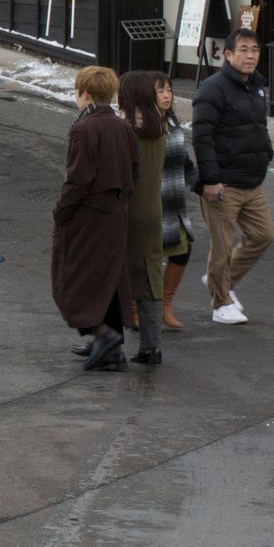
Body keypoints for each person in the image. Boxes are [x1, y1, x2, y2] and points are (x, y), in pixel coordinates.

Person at [53, 66, 139, 372]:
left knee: (72, 279)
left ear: (85, 94)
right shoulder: (123, 127)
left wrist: (62, 210)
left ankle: (102, 334)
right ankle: (110, 348)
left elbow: (78, 179)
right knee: (108, 279)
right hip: (116, 214)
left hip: (88, 215)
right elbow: (134, 170)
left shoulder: (84, 128)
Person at [192, 28, 274, 325]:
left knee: (263, 235)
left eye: (254, 50)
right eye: (243, 50)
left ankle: (222, 282)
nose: (250, 55)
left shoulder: (255, 87)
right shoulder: (212, 88)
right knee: (222, 246)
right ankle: (220, 303)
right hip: (223, 183)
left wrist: (267, 154)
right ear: (228, 55)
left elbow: (257, 128)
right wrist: (210, 180)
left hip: (253, 180)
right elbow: (202, 137)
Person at [117, 71, 169, 363]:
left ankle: (109, 341)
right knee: (151, 275)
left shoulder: (127, 130)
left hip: (130, 210)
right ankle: (151, 346)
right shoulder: (158, 126)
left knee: (116, 272)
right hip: (153, 209)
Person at [156, 73, 199, 329]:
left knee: (182, 250)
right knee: (143, 259)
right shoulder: (139, 125)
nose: (167, 95)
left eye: (169, 90)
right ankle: (136, 308)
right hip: (150, 203)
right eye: (160, 90)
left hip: (174, 201)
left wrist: (199, 183)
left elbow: (183, 159)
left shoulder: (172, 122)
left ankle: (165, 304)